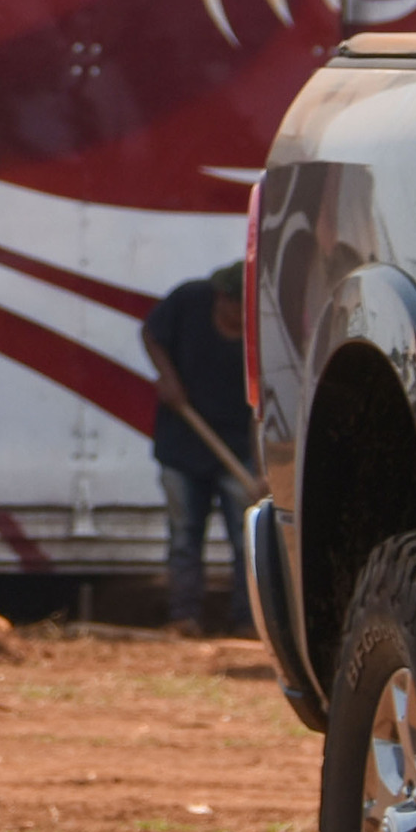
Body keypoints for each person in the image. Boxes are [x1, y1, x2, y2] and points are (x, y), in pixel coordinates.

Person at [139, 263, 255, 637]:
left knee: (245, 538)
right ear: (222, 298)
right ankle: (185, 617)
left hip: (235, 448)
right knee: (185, 535)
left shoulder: (261, 331)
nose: (240, 318)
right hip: (182, 444)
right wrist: (168, 378)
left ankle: (247, 621)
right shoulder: (189, 301)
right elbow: (151, 333)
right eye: (236, 308)